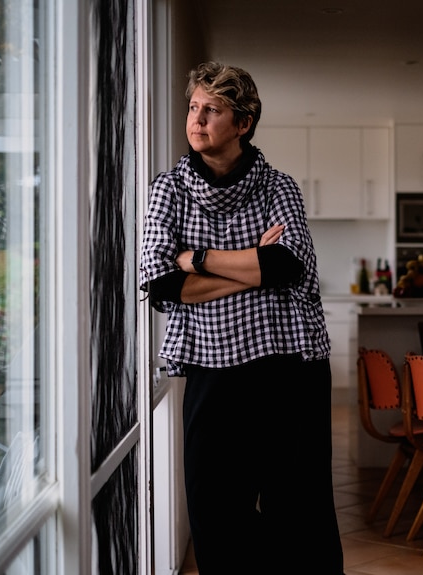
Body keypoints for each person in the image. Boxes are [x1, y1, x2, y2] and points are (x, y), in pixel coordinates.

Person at [139, 62, 344, 574]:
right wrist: (251, 261)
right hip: (213, 372)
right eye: (193, 107)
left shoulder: (279, 187)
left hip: (290, 367)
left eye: (212, 109)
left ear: (243, 122)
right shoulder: (169, 190)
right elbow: (162, 283)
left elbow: (287, 265)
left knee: (300, 513)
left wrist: (200, 257)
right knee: (215, 512)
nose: (197, 119)